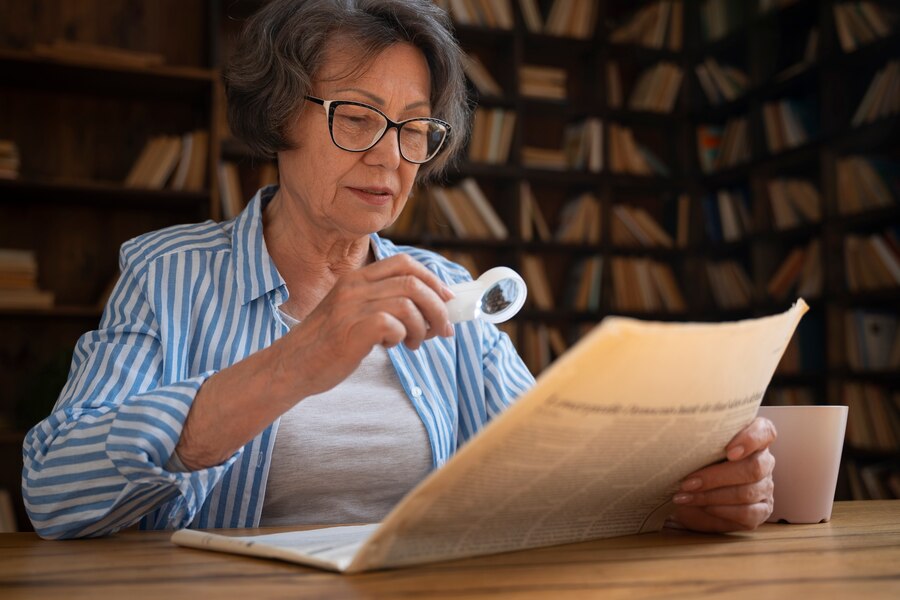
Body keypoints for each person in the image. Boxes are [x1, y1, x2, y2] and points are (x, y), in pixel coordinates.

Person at [22, 0, 777, 540]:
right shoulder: (171, 272)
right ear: (280, 113)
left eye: (415, 127)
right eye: (356, 116)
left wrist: (688, 493)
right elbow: (53, 489)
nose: (389, 155)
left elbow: (549, 476)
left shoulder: (444, 287)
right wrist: (297, 362)